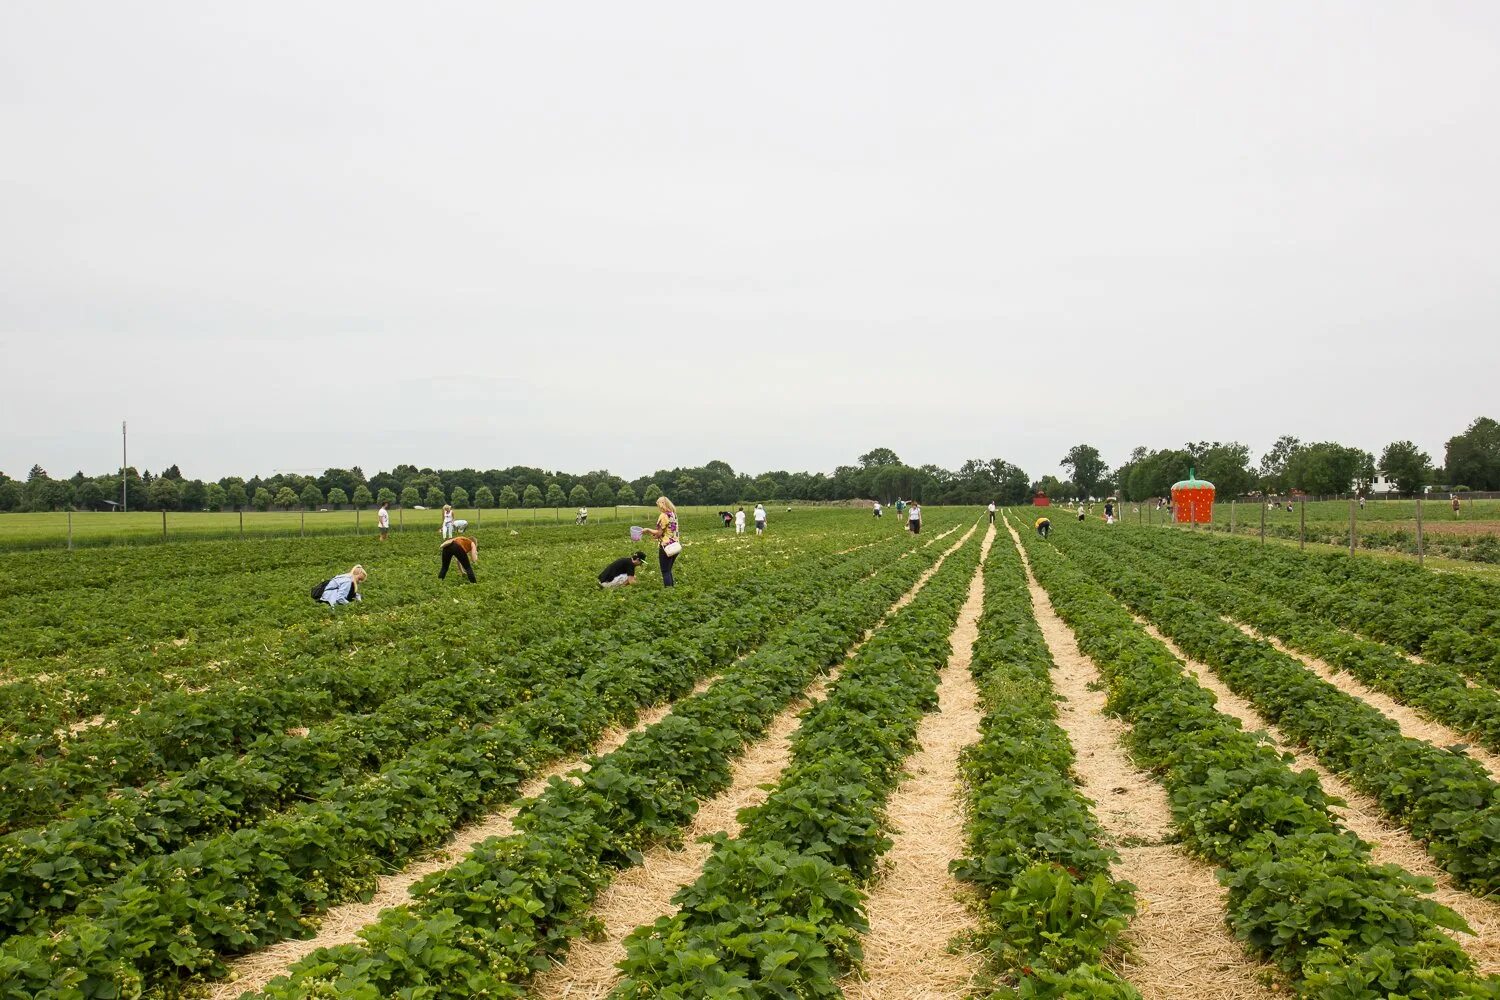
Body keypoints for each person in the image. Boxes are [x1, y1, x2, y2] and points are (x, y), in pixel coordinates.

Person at [643, 495, 681, 587]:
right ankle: (671, 590)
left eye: (658, 504)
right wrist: (657, 536)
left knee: (665, 571)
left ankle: (668, 591)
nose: (658, 507)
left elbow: (659, 533)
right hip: (675, 545)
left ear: (662, 504)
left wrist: (647, 530)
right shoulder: (673, 514)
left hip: (666, 546)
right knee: (668, 570)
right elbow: (668, 531)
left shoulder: (663, 516)